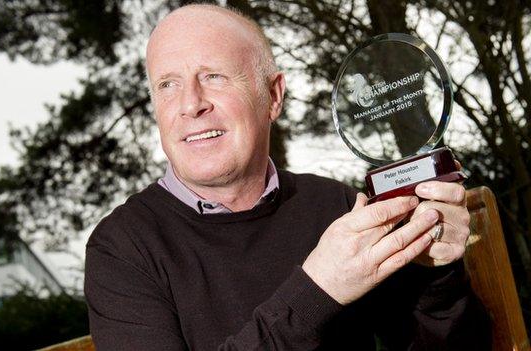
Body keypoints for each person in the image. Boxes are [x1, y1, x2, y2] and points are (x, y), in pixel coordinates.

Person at [84, 4, 490, 350]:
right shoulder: (121, 248)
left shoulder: (340, 208)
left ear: (273, 97)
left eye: (214, 77)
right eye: (168, 85)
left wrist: (437, 275)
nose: (190, 105)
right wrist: (318, 290)